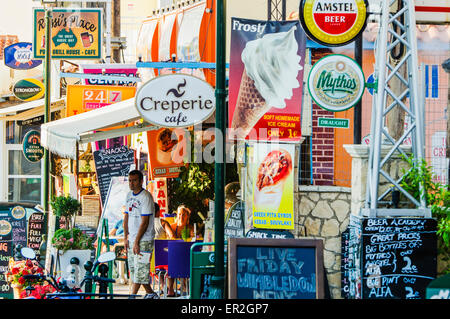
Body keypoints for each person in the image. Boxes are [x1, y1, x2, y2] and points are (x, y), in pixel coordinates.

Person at [123, 170, 159, 299]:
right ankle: (151, 294)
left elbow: (145, 222)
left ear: (141, 181)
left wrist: (137, 241)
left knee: (140, 271)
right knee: (135, 271)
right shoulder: (128, 196)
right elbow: (126, 217)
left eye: (134, 180)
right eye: (130, 180)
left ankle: (131, 297)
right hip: (132, 239)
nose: (131, 183)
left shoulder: (146, 197)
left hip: (144, 240)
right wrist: (125, 237)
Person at [162, 205, 195, 297]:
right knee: (172, 262)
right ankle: (172, 289)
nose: (181, 216)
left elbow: (193, 239)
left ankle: (184, 286)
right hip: (173, 254)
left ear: (187, 216)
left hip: (185, 254)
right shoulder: (172, 226)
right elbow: (167, 241)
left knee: (185, 262)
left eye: (184, 214)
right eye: (179, 214)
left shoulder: (190, 228)